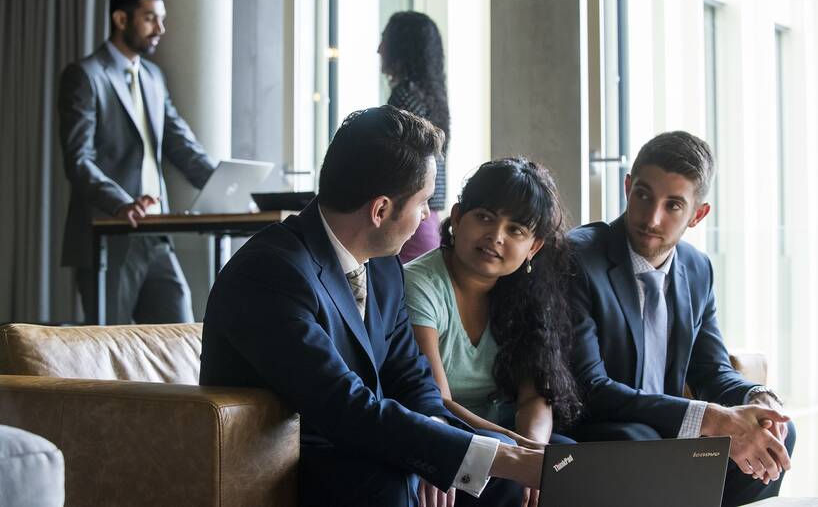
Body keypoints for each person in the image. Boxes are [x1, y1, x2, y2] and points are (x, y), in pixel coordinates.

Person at [200, 106, 544, 507]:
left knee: (498, 479)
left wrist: (440, 452)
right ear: (380, 210)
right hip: (293, 458)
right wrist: (482, 456)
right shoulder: (270, 272)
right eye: (423, 203)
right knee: (402, 481)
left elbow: (412, 379)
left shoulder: (383, 267)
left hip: (361, 444)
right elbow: (343, 406)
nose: (426, 219)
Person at [568, 131, 796, 507]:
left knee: (779, 435)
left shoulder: (697, 268)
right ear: (627, 187)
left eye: (673, 205)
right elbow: (590, 388)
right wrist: (710, 419)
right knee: (641, 441)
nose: (651, 217)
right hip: (604, 430)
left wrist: (760, 399)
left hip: (669, 434)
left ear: (697, 214)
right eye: (643, 195)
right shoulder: (579, 258)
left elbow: (711, 370)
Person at [404, 158, 581, 507]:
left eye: (516, 229)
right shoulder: (420, 283)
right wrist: (517, 454)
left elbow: (536, 395)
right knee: (506, 473)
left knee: (570, 462)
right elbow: (437, 400)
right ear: (456, 218)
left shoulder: (530, 292)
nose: (496, 237)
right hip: (443, 431)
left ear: (534, 247)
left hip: (502, 435)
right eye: (484, 217)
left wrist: (535, 449)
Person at [58, 0, 215, 324]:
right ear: (120, 19)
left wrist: (226, 185)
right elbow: (78, 159)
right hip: (109, 232)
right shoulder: (84, 76)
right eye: (150, 18)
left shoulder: (153, 77)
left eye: (161, 18)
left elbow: (181, 146)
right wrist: (119, 201)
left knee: (179, 339)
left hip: (156, 234)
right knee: (108, 351)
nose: (160, 28)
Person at [379, 11, 450, 263]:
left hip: (408, 217)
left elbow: (398, 167)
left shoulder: (404, 99)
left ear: (401, 48)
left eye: (384, 40)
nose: (379, 49)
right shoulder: (431, 98)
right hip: (428, 217)